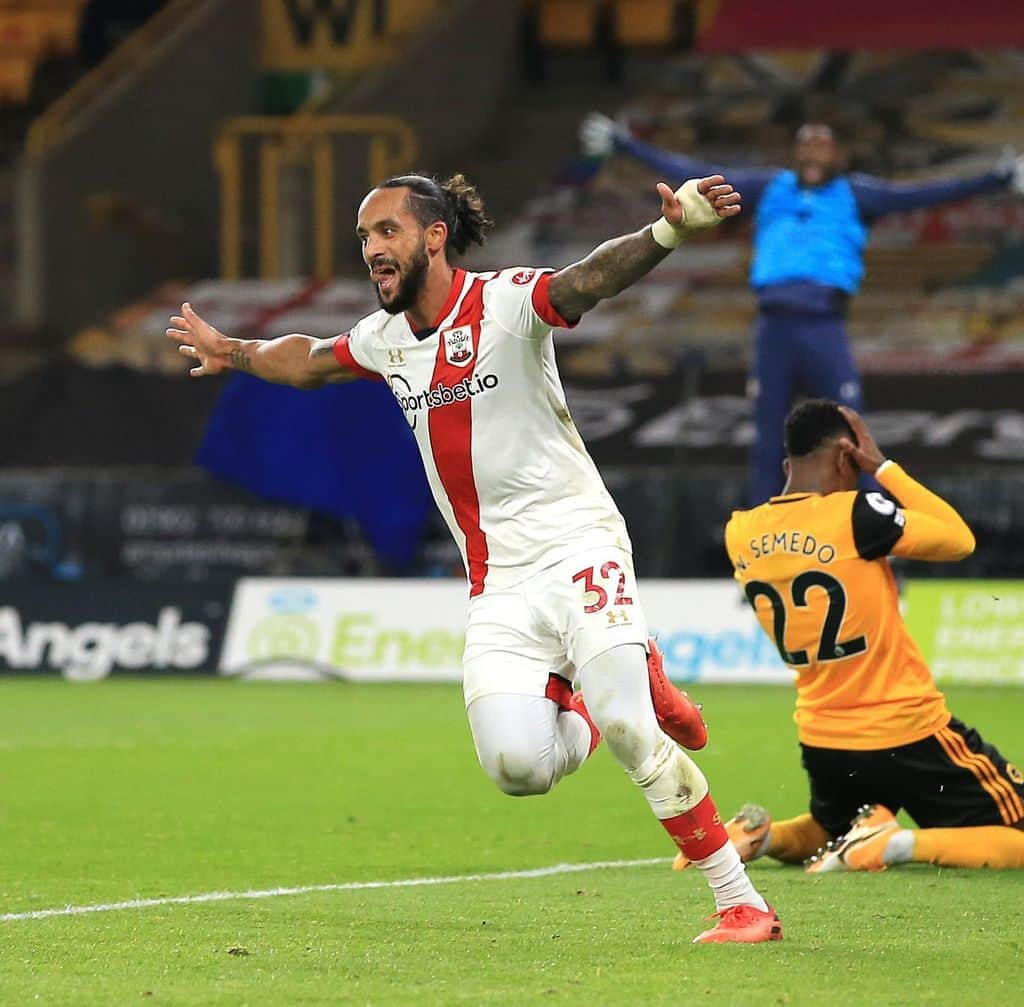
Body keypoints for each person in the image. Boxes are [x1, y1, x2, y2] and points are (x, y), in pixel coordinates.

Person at [167, 171, 784, 944]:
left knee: (633, 729)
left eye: (385, 231)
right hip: (498, 583)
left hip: (576, 541)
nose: (371, 250)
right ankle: (600, 684)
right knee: (517, 766)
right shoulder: (386, 339)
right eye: (363, 237)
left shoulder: (506, 304)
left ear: (433, 236)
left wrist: (668, 232)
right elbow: (309, 359)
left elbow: (587, 280)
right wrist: (234, 349)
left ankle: (742, 903)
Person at [675, 400, 1024, 874]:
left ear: (787, 465)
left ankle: (759, 837)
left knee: (827, 831)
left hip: (825, 738)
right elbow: (959, 538)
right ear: (846, 457)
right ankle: (891, 846)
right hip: (907, 730)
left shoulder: (741, 532)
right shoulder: (856, 514)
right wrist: (882, 466)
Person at [581, 117, 1024, 503]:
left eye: (823, 143)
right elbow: (694, 173)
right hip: (775, 327)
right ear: (795, 152)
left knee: (850, 430)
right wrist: (626, 144)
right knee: (768, 438)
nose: (814, 150)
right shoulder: (771, 187)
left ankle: (870, 530)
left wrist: (997, 178)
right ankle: (763, 546)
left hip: (824, 325)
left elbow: (925, 195)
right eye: (806, 142)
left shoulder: (859, 194)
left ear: (837, 153)